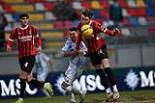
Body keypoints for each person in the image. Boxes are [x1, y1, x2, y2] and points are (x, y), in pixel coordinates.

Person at [6, 13, 53, 103]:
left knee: (22, 75)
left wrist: (39, 46)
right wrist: (9, 46)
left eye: (26, 19)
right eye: (23, 18)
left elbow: (37, 38)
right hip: (21, 57)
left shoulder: (32, 29)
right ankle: (45, 85)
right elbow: (10, 40)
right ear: (20, 20)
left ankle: (20, 99)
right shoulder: (16, 31)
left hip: (30, 56)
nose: (25, 20)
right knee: (29, 80)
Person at [76, 9, 120, 102]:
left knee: (107, 68)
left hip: (100, 48)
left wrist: (114, 33)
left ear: (90, 18)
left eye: (85, 19)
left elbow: (107, 31)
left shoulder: (95, 24)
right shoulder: (80, 26)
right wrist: (77, 48)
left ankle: (115, 91)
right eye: (81, 19)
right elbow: (79, 37)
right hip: (91, 51)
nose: (82, 21)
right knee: (99, 72)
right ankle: (109, 93)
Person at [61, 27, 87, 103]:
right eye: (70, 34)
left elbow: (87, 52)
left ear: (77, 33)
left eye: (73, 34)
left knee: (64, 86)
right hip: (71, 65)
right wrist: (74, 53)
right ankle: (74, 99)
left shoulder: (81, 42)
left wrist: (81, 52)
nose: (72, 36)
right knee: (70, 84)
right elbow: (65, 54)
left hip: (78, 67)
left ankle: (80, 93)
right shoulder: (68, 41)